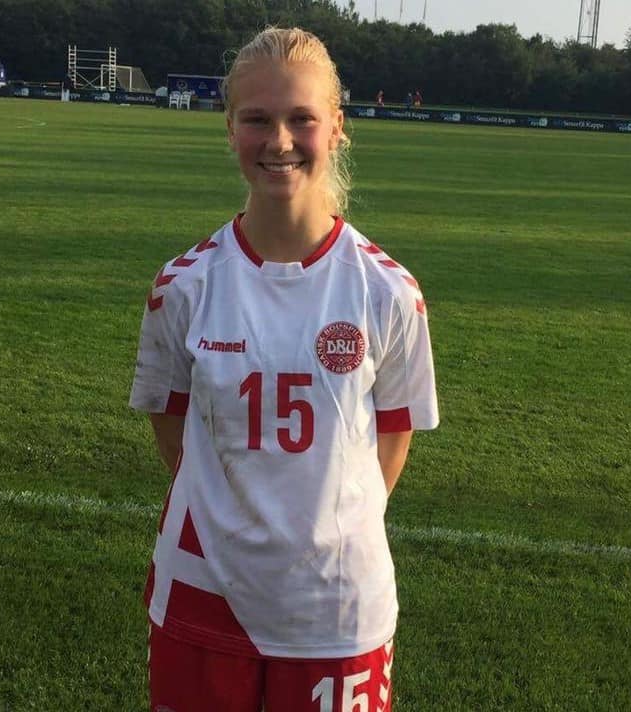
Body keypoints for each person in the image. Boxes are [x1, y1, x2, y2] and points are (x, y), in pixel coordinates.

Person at [130, 26, 438, 712]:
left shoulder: (388, 292)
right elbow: (172, 431)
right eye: (257, 119)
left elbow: (391, 441)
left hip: (337, 606)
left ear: (337, 126)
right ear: (229, 128)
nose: (280, 141)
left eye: (302, 118)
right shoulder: (183, 286)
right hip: (202, 593)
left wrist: (322, 528)